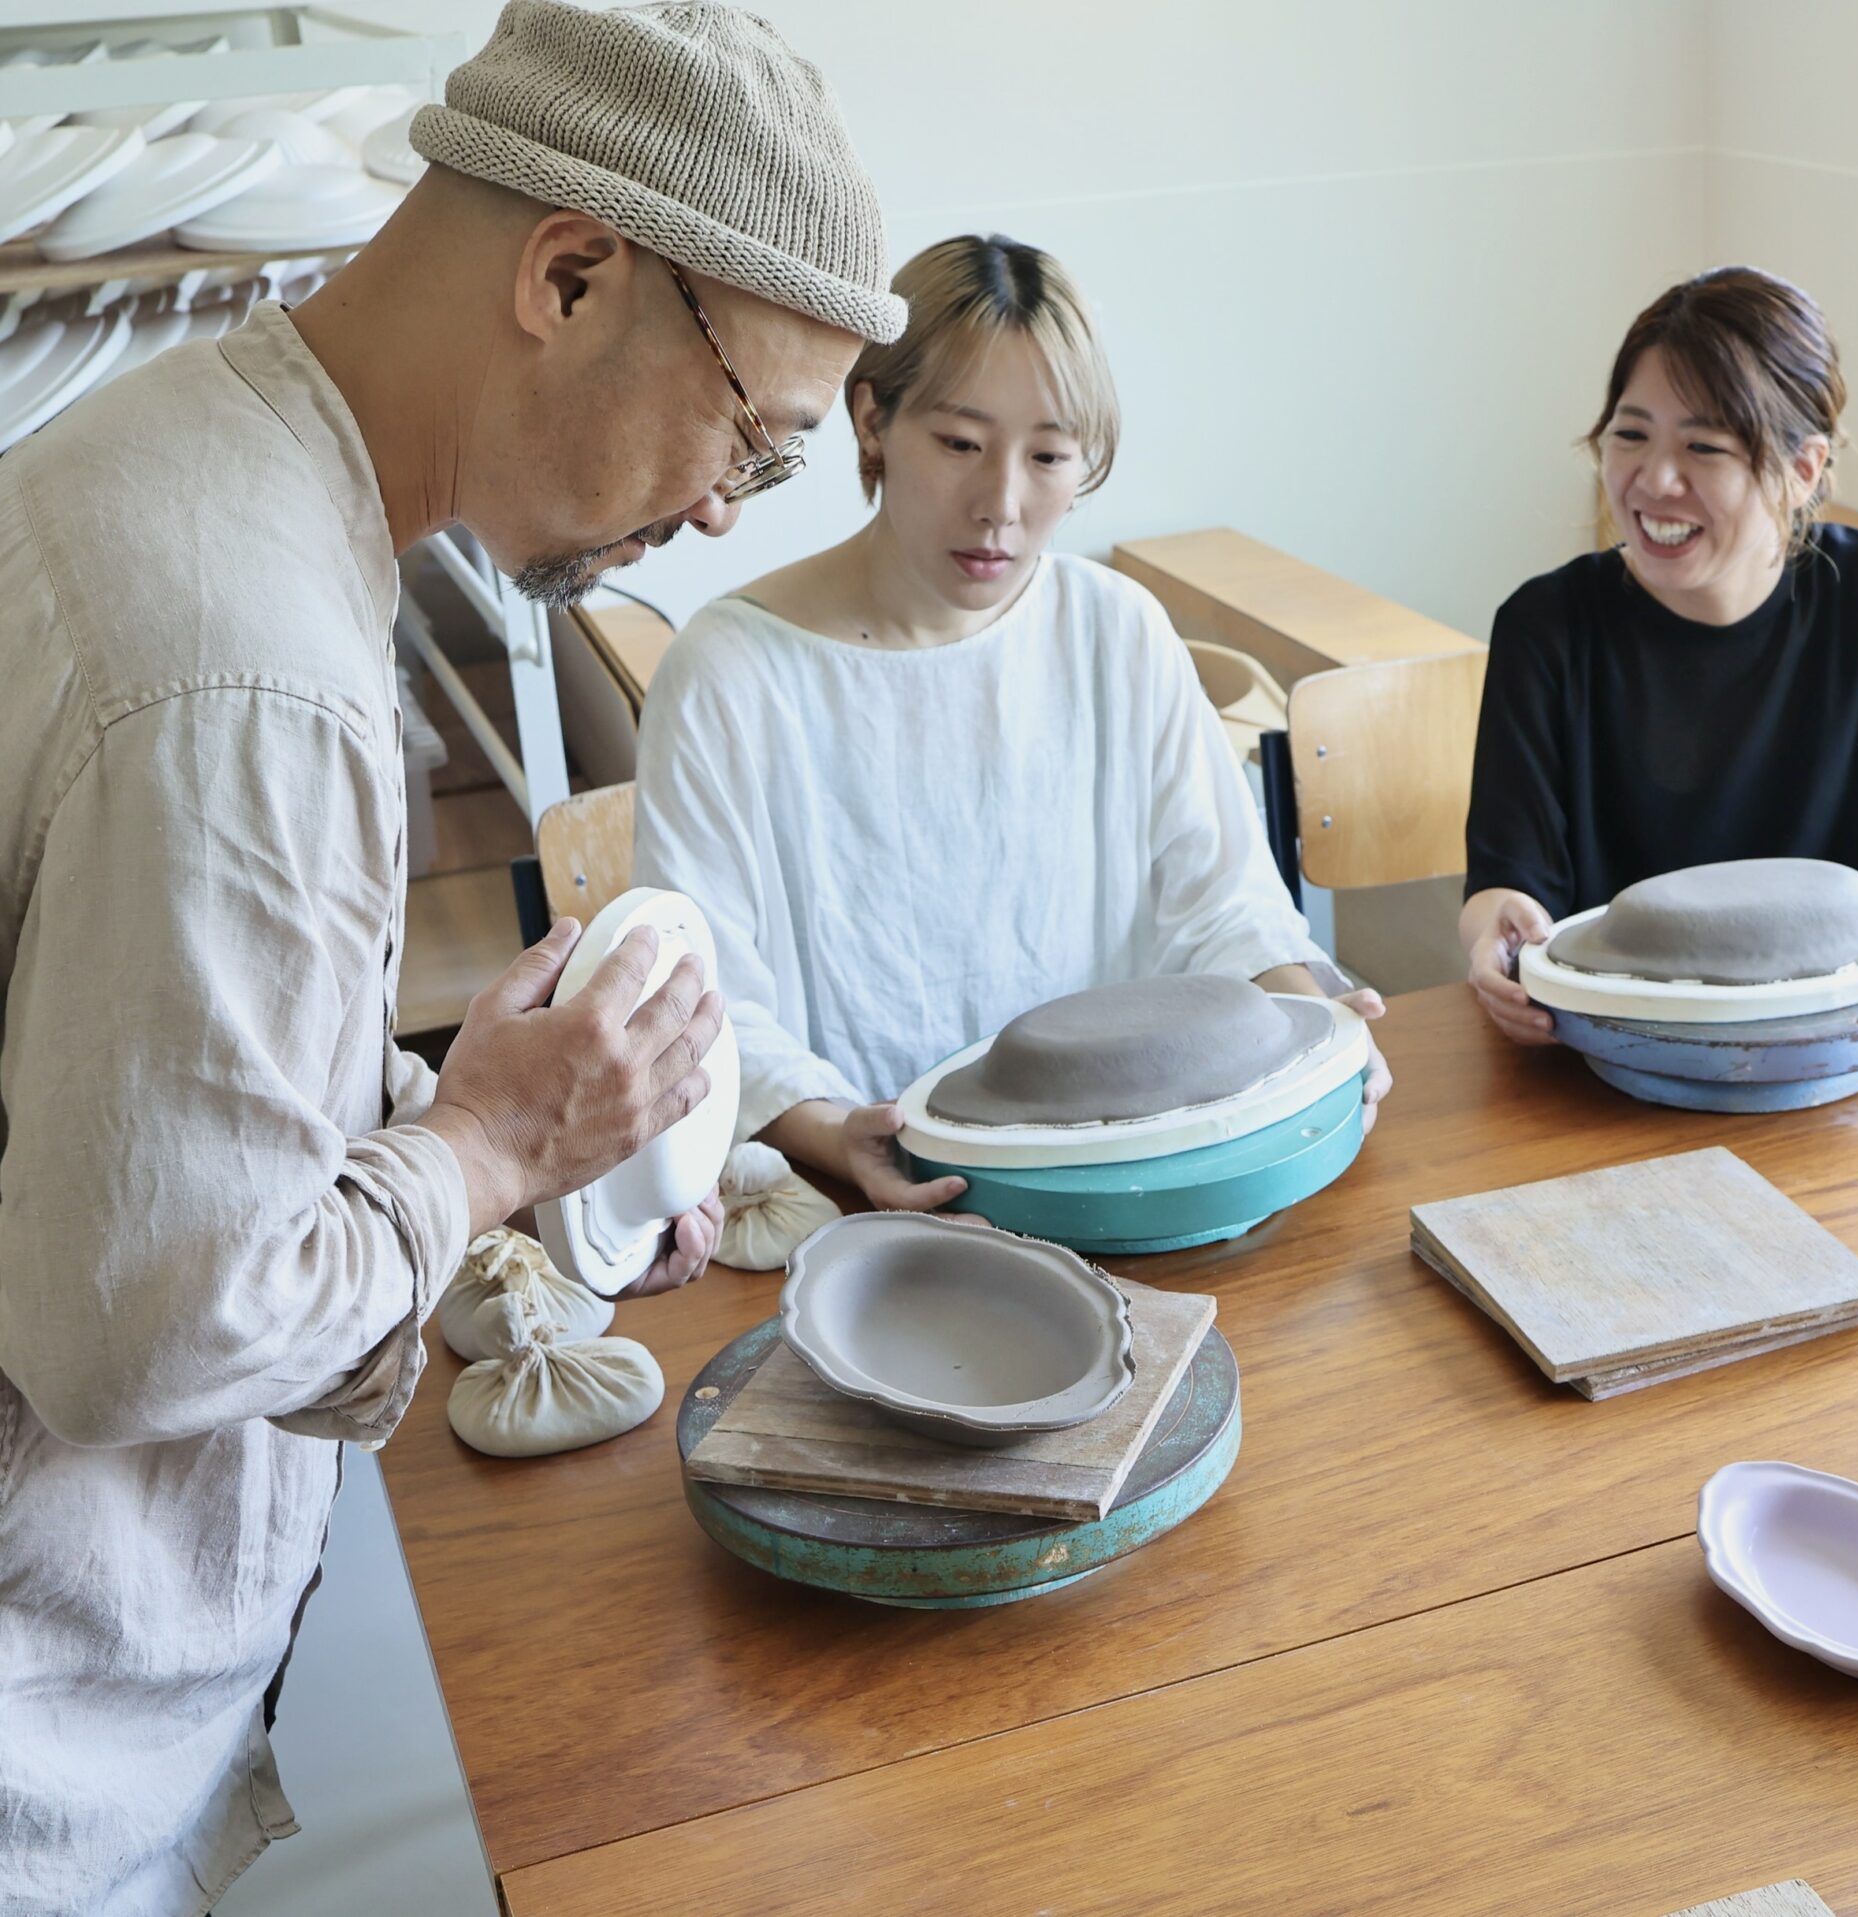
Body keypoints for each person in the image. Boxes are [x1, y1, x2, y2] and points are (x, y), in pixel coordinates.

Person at [0, 4, 900, 1907]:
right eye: (751, 432)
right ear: (570, 274)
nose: (727, 509)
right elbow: (145, 1324)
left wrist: (471, 1110)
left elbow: (97, 1074)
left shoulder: (189, 451)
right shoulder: (243, 672)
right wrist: (482, 1152)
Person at [634, 234, 1388, 1212]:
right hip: (868, 1198)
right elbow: (713, 1001)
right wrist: (836, 1132)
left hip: (1125, 1176)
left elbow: (1219, 902)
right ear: (872, 418)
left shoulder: (1114, 631)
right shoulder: (731, 673)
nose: (1000, 505)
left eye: (1047, 456)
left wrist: (1322, 1033)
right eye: (958, 444)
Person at [1462, 267, 1858, 1045]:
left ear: (1803, 470)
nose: (1654, 479)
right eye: (1630, 434)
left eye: (1704, 446)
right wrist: (1494, 934)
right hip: (1633, 1050)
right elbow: (1505, 882)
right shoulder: (1545, 628)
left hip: (1850, 1036)